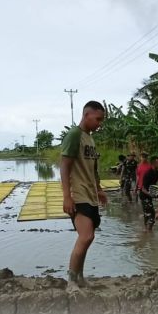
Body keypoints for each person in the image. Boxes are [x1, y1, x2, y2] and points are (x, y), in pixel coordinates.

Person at [60, 100, 108, 293]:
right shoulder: (74, 135)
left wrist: (99, 188)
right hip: (78, 194)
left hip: (90, 194)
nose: (99, 123)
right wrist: (66, 196)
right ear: (86, 115)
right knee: (85, 236)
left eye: (101, 120)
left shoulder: (90, 138)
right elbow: (64, 165)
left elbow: (93, 168)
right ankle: (71, 280)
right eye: (98, 119)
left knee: (89, 237)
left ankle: (79, 277)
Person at [138, 155, 158, 231]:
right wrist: (151, 194)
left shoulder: (157, 172)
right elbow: (143, 188)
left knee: (147, 213)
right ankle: (148, 231)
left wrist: (157, 193)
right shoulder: (148, 173)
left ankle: (146, 230)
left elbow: (154, 185)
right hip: (144, 195)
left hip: (149, 194)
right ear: (153, 164)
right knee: (151, 214)